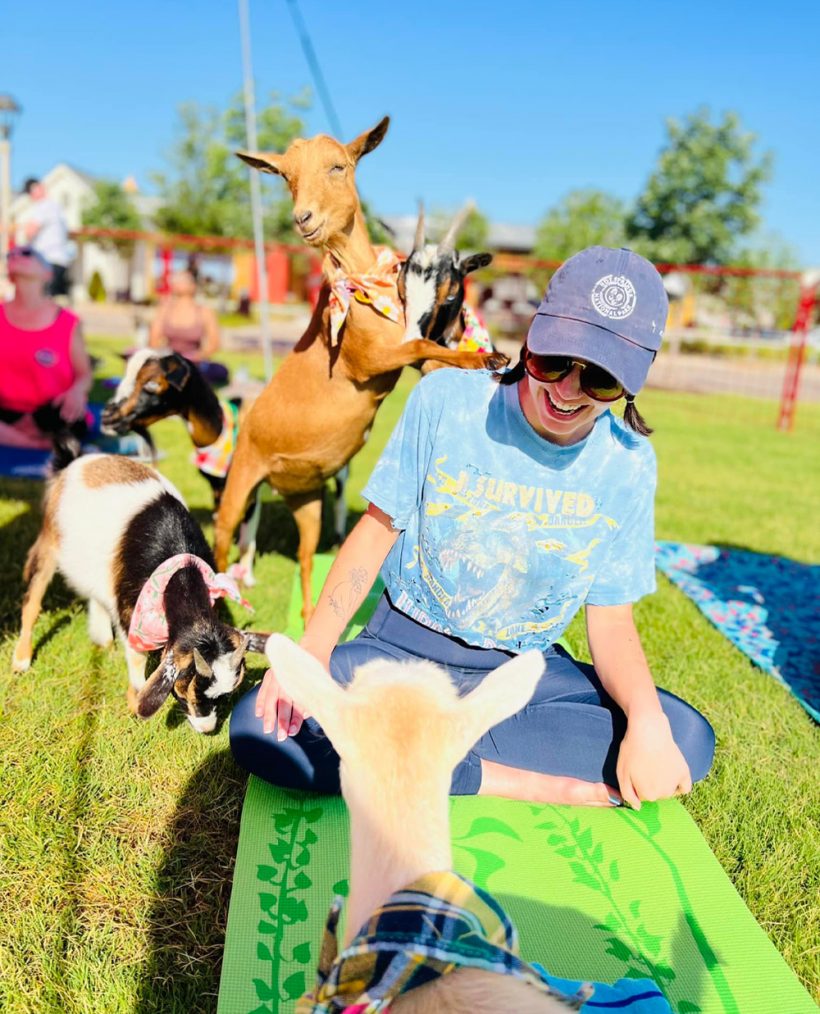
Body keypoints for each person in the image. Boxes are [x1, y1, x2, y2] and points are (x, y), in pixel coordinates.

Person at [231, 246, 715, 809]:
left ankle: (409, 749)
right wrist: (314, 651)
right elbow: (375, 533)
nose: (566, 391)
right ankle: (503, 776)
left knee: (684, 738)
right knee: (262, 727)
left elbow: (610, 621)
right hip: (399, 655)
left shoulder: (628, 463)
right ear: (533, 335)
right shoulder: (446, 401)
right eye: (554, 360)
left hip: (521, 679)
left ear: (631, 384)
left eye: (601, 379)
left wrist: (647, 720)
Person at [0, 247, 92, 457]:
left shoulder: (66, 321)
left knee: (66, 415)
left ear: (47, 274)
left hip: (50, 413)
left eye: (27, 254)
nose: (16, 256)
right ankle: (34, 444)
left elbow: (84, 374)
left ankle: (14, 439)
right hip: (6, 411)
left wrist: (77, 392)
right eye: (12, 255)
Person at [148, 269, 227, 385]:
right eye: (177, 280)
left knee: (220, 370)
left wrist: (198, 356)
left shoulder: (205, 312)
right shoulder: (164, 310)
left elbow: (215, 343)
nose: (180, 283)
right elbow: (153, 340)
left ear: (193, 285)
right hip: (170, 361)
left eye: (184, 280)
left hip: (194, 363)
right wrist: (165, 357)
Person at [20, 178, 72, 298]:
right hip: (59, 261)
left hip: (48, 261)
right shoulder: (55, 207)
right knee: (47, 302)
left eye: (30, 192)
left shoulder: (43, 206)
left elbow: (30, 232)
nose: (30, 196)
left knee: (39, 301)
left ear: (37, 188)